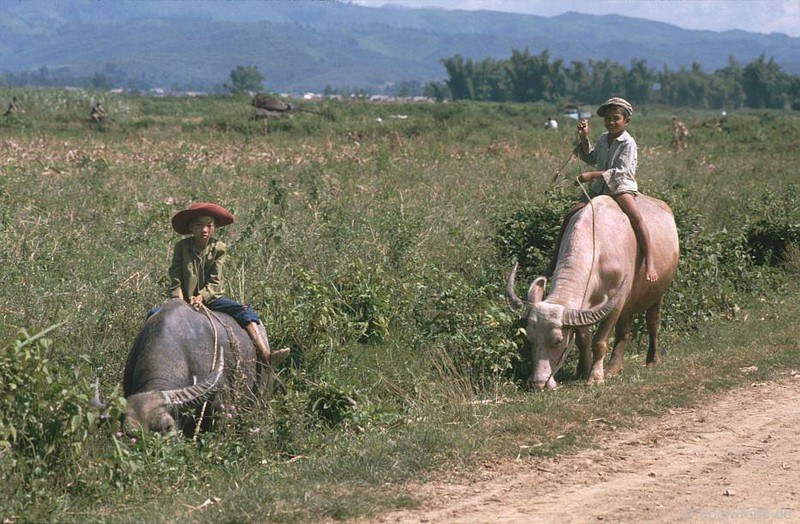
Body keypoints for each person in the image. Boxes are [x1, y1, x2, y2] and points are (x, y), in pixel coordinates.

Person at [148, 202, 289, 368]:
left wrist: (201, 297)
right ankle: (147, 358)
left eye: (209, 225)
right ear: (191, 227)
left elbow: (216, 281)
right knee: (154, 314)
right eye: (199, 225)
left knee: (244, 311)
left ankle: (266, 354)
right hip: (183, 298)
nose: (204, 230)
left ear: (214, 228)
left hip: (211, 298)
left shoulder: (219, 248)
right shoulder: (182, 247)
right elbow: (175, 275)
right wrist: (179, 300)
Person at [549, 97, 658, 282]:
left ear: (626, 121)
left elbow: (621, 171)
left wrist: (592, 176)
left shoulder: (628, 143)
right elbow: (591, 158)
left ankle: (650, 261)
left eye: (616, 118)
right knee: (570, 216)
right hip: (600, 188)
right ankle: (554, 262)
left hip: (620, 186)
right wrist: (583, 137)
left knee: (636, 217)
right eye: (608, 119)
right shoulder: (602, 138)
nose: (611, 122)